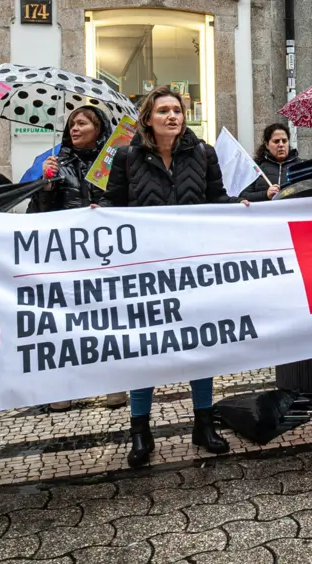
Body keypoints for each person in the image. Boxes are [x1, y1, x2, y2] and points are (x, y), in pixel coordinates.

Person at [101, 86, 246, 468]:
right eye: (163, 110)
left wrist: (240, 208)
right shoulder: (127, 157)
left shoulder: (203, 154)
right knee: (145, 348)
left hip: (192, 268)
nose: (172, 116)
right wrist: (96, 213)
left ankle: (203, 423)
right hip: (145, 270)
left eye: (177, 110)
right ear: (148, 118)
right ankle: (140, 430)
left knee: (200, 344)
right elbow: (114, 205)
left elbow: (216, 199)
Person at [28, 106, 127, 411]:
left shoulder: (114, 162)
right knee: (67, 322)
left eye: (82, 123)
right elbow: (38, 214)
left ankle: (114, 383)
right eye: (71, 124)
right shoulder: (56, 163)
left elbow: (125, 200)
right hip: (67, 255)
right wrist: (45, 185)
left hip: (105, 253)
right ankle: (64, 387)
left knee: (108, 319)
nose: (74, 128)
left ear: (98, 129)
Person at [241, 122, 300, 202]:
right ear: (267, 145)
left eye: (284, 141)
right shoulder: (256, 168)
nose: (281, 145)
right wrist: (266, 194)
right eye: (276, 141)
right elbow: (243, 196)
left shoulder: (300, 166)